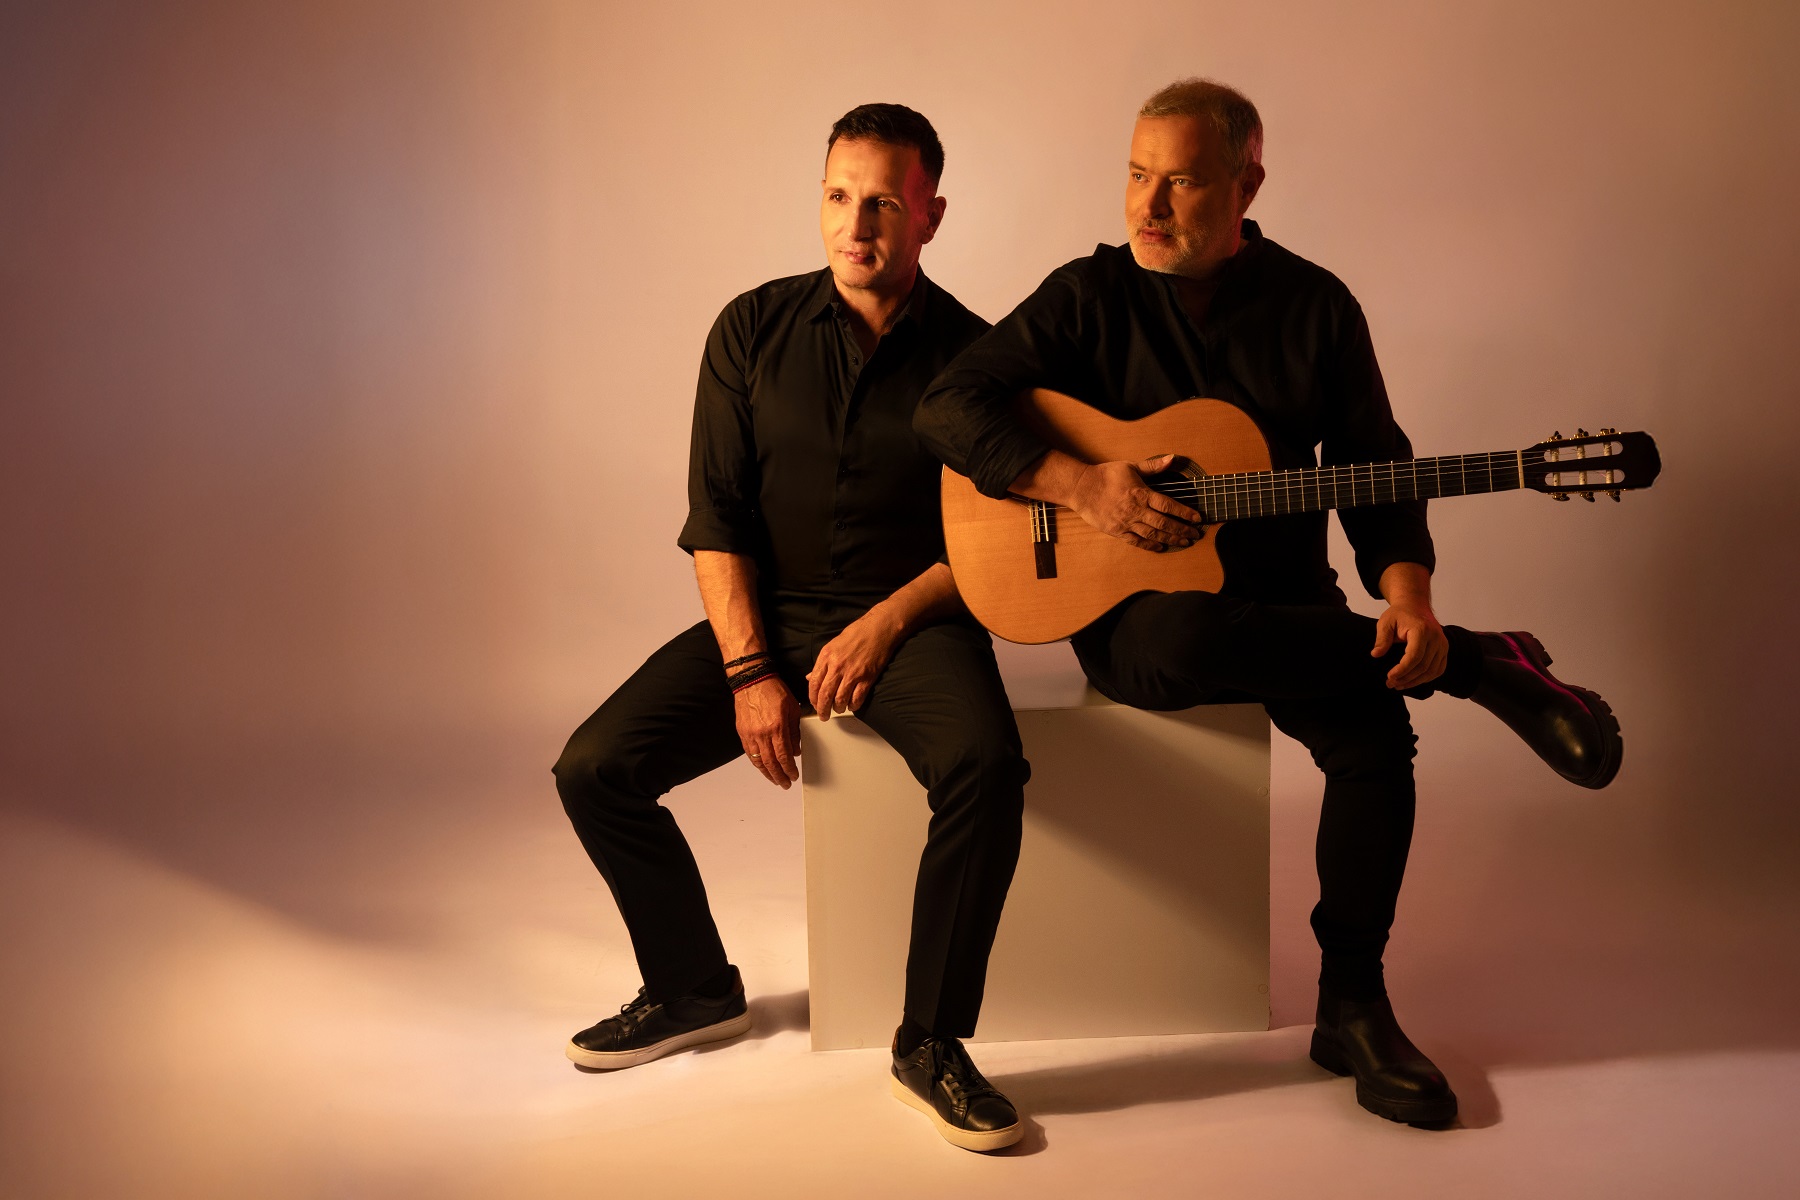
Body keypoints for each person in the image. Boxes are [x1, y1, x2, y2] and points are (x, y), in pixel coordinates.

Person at [914, 78, 1623, 1127]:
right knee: (1189, 635)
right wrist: (1083, 486)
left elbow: (1378, 465)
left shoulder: (1317, 306)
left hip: (1291, 603)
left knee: (1375, 736)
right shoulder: (1085, 296)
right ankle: (1487, 664)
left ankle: (1353, 1005)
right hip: (1137, 616)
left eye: (1183, 182)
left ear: (1247, 186)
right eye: (1137, 176)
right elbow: (945, 408)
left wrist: (1411, 599)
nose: (1149, 205)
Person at [553, 103, 1028, 1152]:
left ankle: (930, 1044)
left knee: (988, 766)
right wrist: (750, 671)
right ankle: (693, 987)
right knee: (593, 769)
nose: (857, 225)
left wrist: (886, 624)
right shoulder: (750, 328)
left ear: (931, 216)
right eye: (838, 197)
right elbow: (717, 519)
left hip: (914, 622)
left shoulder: (979, 355)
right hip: (769, 616)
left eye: (885, 203)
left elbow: (996, 540)